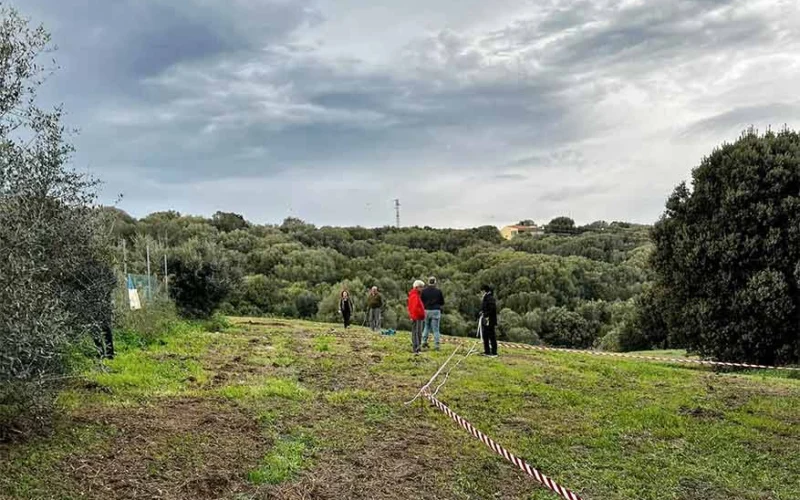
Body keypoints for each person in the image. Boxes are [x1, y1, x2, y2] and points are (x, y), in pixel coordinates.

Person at [421, 276, 445, 350]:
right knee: (436, 329)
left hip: (426, 310)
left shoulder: (424, 291)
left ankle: (423, 342)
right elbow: (442, 302)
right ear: (435, 282)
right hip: (435, 310)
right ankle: (437, 345)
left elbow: (421, 301)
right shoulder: (438, 291)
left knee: (426, 326)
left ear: (428, 282)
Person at [479, 284, 498, 357]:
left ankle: (494, 352)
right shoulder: (486, 297)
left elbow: (492, 309)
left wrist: (485, 314)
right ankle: (487, 351)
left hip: (490, 320)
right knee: (485, 335)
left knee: (491, 336)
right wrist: (482, 312)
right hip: (486, 320)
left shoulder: (490, 298)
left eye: (481, 291)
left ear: (484, 291)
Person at [407, 280, 426, 354]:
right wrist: (420, 314)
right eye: (421, 287)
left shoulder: (415, 295)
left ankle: (417, 348)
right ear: (416, 287)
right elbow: (414, 307)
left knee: (418, 332)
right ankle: (416, 348)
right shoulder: (414, 296)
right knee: (417, 333)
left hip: (417, 317)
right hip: (417, 317)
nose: (422, 289)